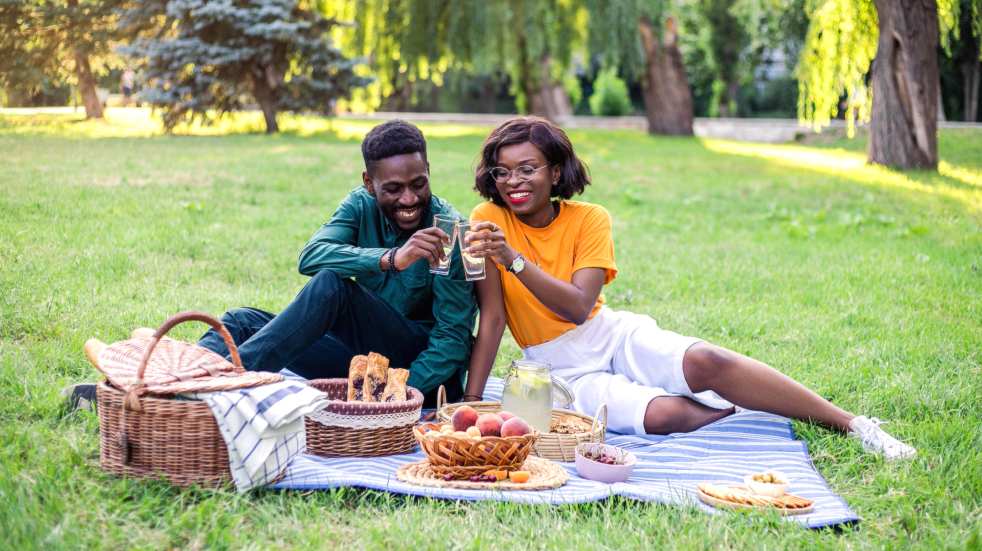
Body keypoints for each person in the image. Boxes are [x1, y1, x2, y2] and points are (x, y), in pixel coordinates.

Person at [461, 116, 916, 460]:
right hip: (558, 366)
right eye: (502, 173)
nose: (513, 183)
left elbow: (579, 307)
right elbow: (494, 317)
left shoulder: (590, 219)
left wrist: (513, 260)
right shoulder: (488, 220)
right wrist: (471, 402)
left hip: (607, 332)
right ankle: (741, 411)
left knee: (707, 360)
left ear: (556, 172)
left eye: (527, 169)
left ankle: (853, 425)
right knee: (664, 417)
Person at [196, 120, 476, 406]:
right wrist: (391, 259)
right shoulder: (360, 204)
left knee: (332, 285)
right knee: (239, 322)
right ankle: (180, 385)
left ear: (428, 171)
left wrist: (394, 393)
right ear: (369, 183)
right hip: (365, 364)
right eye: (393, 189)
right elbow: (311, 256)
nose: (409, 198)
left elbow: (452, 340)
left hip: (421, 377)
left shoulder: (452, 232)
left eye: (419, 184)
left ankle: (230, 383)